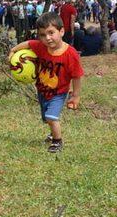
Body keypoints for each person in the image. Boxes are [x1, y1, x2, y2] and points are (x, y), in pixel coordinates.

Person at [8, 13, 84, 152]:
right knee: (46, 118)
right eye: (43, 35)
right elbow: (28, 44)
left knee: (51, 116)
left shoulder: (70, 54)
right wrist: (13, 50)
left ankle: (57, 142)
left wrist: (76, 96)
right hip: (42, 90)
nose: (47, 38)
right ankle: (52, 133)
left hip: (59, 93)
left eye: (51, 33)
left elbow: (77, 76)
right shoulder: (41, 47)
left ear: (61, 31)